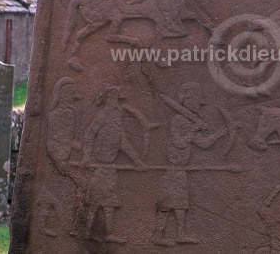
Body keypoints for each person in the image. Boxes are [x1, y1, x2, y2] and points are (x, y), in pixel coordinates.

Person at [153, 82, 228, 246]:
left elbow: (203, 144)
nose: (196, 105)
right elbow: (179, 143)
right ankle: (158, 236)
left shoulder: (188, 122)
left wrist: (221, 133)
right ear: (185, 100)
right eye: (194, 101)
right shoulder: (178, 120)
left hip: (181, 170)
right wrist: (195, 128)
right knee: (166, 205)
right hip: (173, 169)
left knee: (180, 205)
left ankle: (180, 235)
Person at [82, 87, 146, 244]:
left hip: (110, 166)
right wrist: (86, 157)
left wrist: (136, 160)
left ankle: (108, 233)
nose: (117, 102)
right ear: (109, 98)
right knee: (95, 201)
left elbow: (121, 141)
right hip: (100, 165)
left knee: (110, 202)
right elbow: (90, 133)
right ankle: (87, 231)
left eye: (118, 98)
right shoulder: (105, 114)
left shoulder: (116, 116)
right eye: (116, 98)